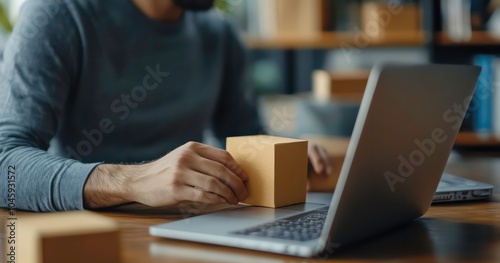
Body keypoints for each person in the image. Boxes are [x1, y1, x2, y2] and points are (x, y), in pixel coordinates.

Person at [0, 0, 331, 212]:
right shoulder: (58, 14)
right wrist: (135, 181)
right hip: (92, 237)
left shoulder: (219, 33)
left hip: (197, 230)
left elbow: (244, 133)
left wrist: (283, 154)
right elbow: (5, 163)